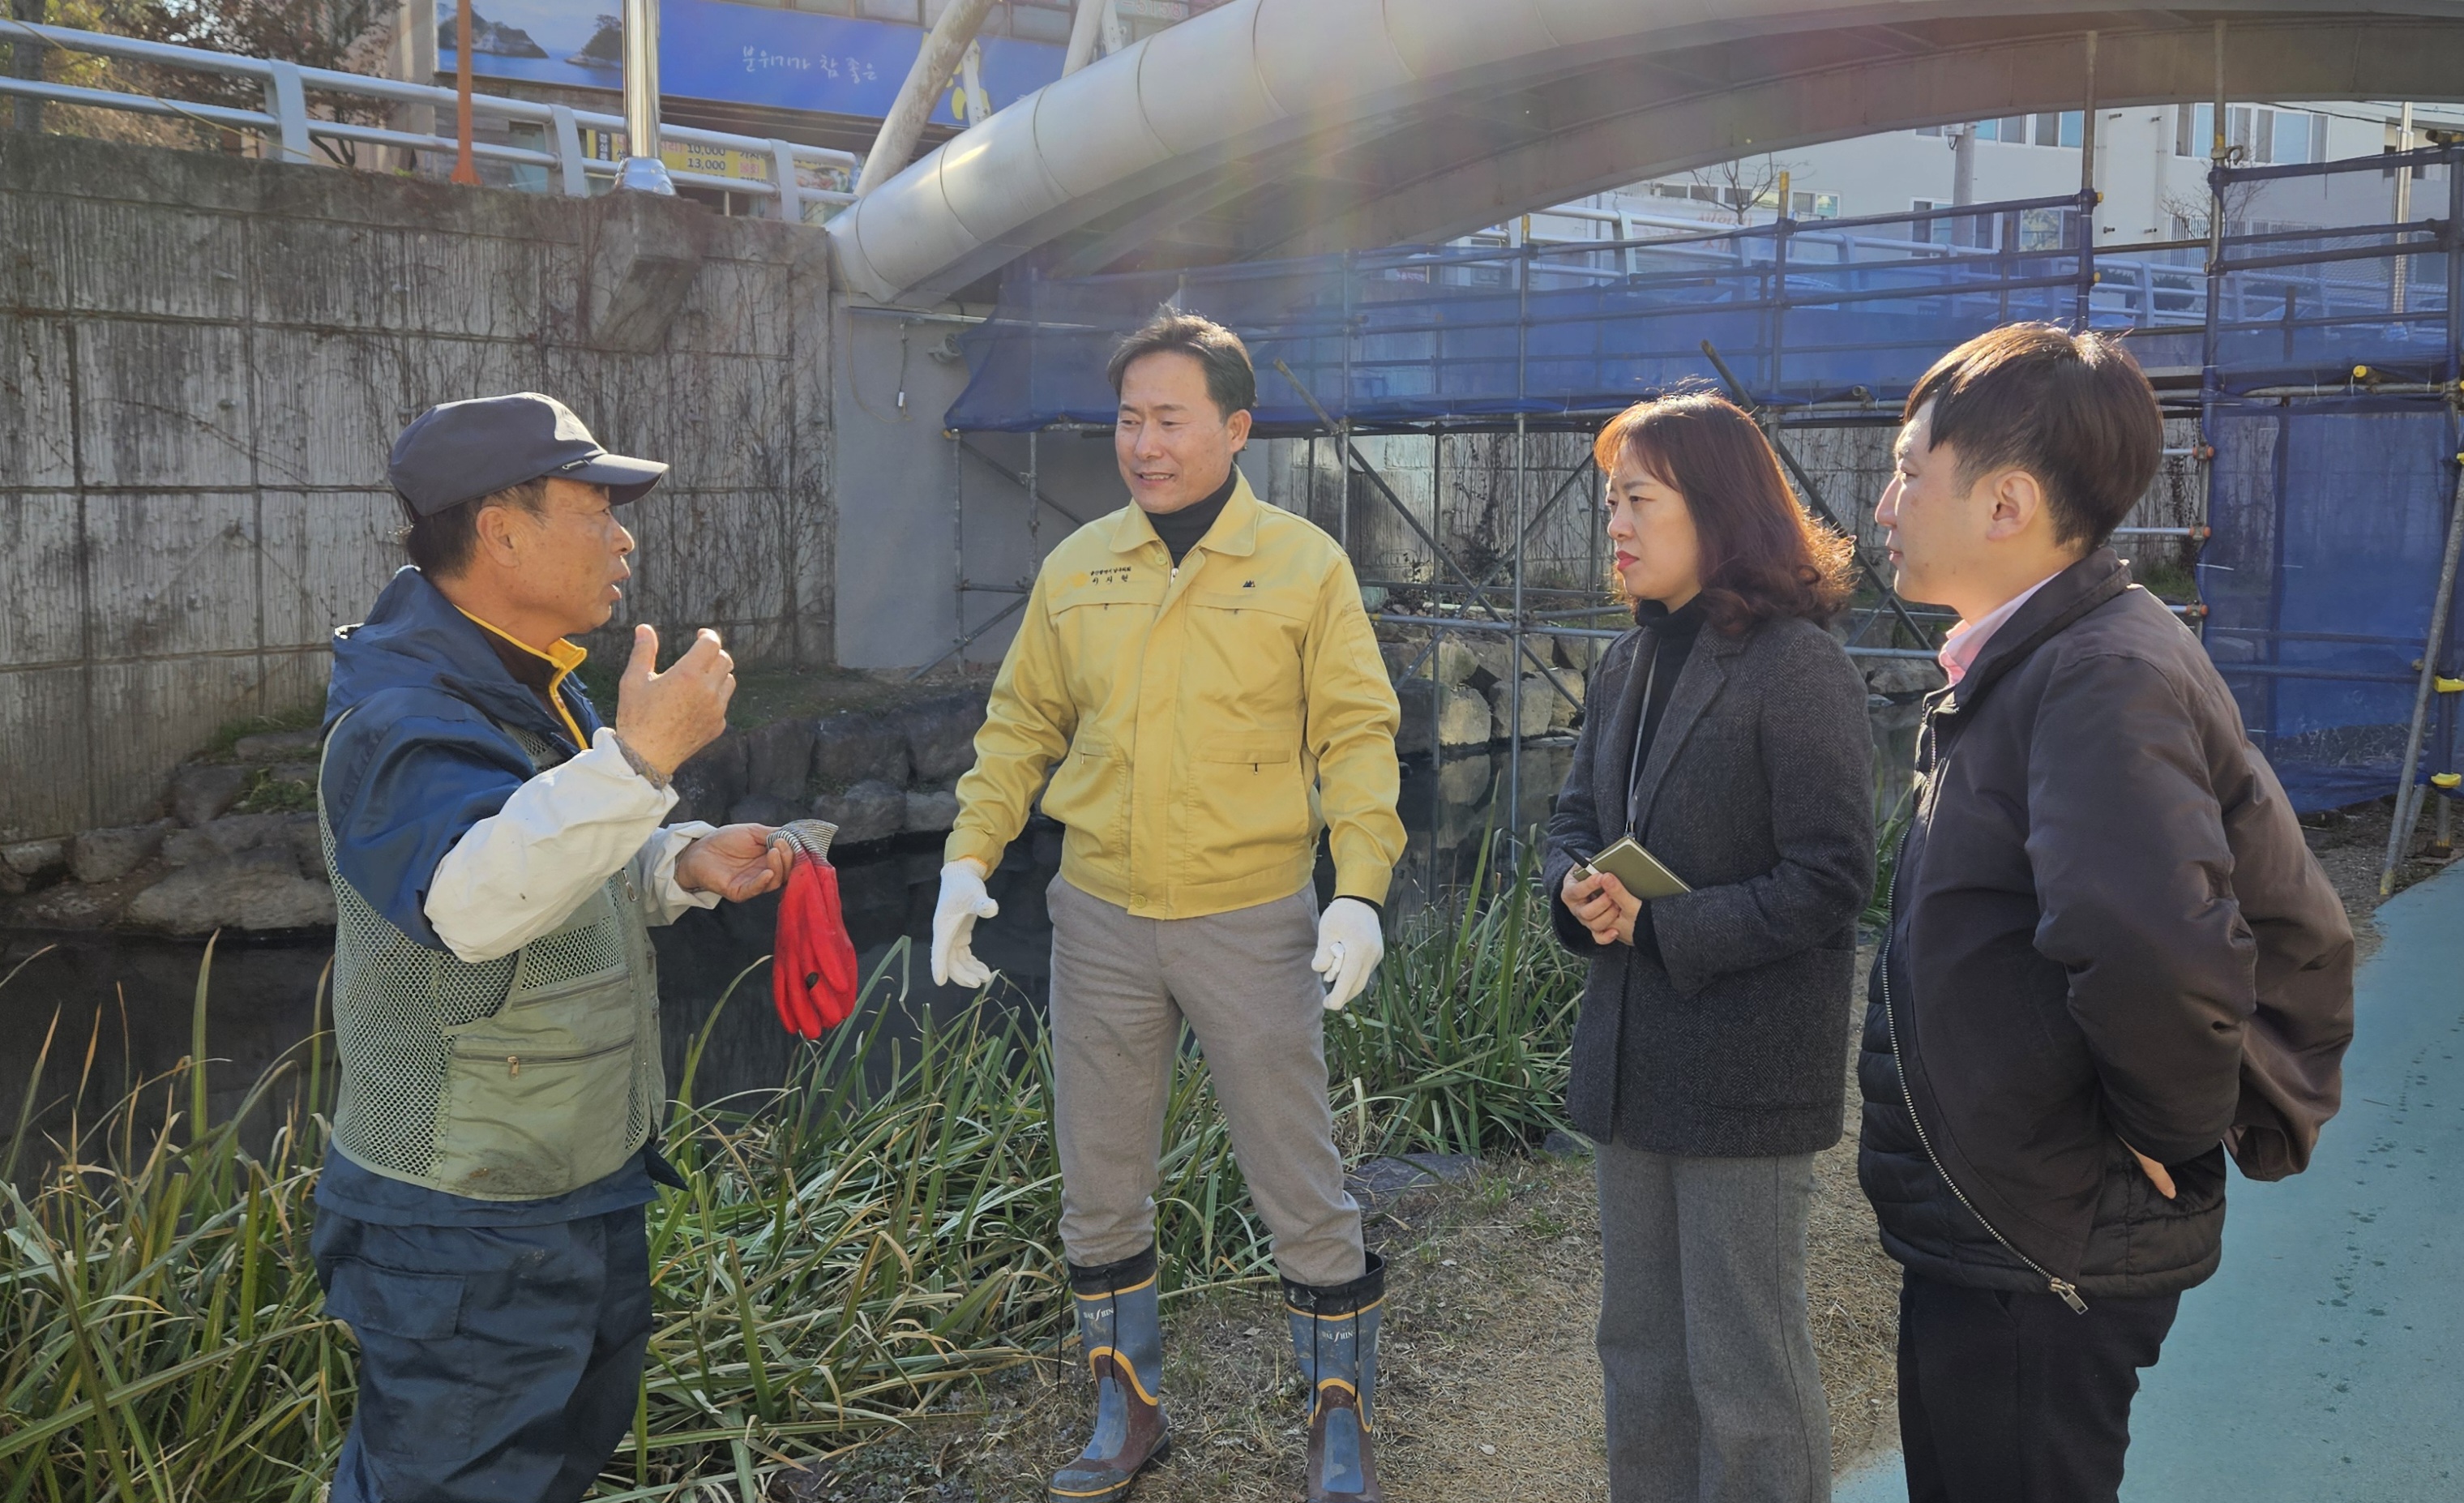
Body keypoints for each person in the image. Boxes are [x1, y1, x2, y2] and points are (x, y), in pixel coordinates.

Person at [1859, 325, 2355, 1503]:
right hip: (2012, 1224)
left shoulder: (2093, 671)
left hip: (2048, 1238)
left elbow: (2155, 944)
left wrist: (2169, 1128)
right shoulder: (2042, 658)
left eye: (1907, 468)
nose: (1882, 503)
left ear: (2007, 503)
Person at [933, 313, 1405, 1503]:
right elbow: (1021, 727)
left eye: (1169, 418)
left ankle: (1335, 1419)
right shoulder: (1079, 564)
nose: (1142, 443)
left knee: (1299, 1177)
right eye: (1128, 419)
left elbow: (1356, 737)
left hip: (1251, 914)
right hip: (1098, 915)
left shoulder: (1303, 565)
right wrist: (965, 858)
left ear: (1235, 428)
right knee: (1098, 1175)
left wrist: (1358, 891)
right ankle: (1125, 1408)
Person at [311, 392, 796, 1503]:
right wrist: (638, 761)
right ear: (503, 530)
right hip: (462, 1225)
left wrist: (674, 860)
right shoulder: (399, 716)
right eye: (597, 507)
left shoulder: (529, 678)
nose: (623, 537)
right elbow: (468, 903)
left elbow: (546, 862)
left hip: (572, 1192)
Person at [1542, 392, 1875, 1503]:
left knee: (1746, 1373)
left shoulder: (1799, 666)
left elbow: (1834, 877)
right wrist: (1575, 886)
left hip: (1745, 1077)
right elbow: (1571, 819)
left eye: (1638, 499)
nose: (1616, 525)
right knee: (1638, 1357)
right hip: (1632, 1067)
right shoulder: (1629, 662)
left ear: (1718, 507)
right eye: (1611, 502)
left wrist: (1666, 921)